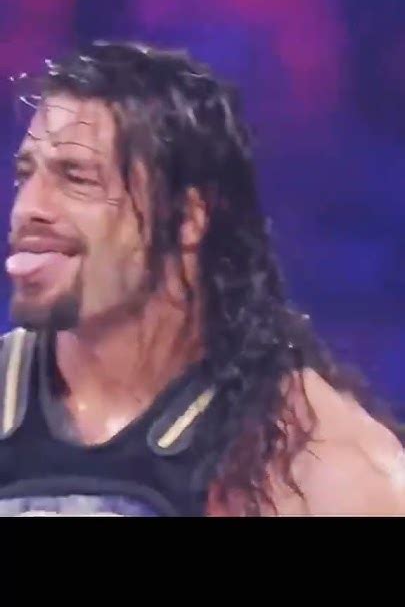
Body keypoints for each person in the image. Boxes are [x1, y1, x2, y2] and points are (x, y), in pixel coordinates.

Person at [0, 41, 403, 517]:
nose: (28, 209)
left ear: (188, 219)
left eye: (78, 178)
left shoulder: (312, 464)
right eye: (25, 175)